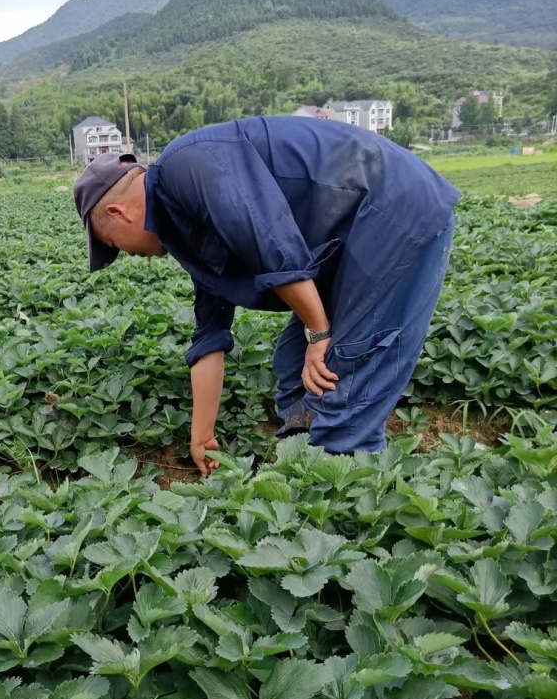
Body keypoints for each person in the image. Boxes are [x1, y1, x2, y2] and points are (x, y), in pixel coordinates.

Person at [73, 116, 459, 476]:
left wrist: (319, 333)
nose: (128, 256)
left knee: (343, 370)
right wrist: (201, 434)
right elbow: (209, 335)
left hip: (392, 208)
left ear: (118, 212)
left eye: (113, 244)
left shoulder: (185, 167)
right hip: (348, 238)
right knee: (294, 366)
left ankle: (347, 495)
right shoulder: (181, 228)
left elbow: (270, 240)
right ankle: (299, 471)